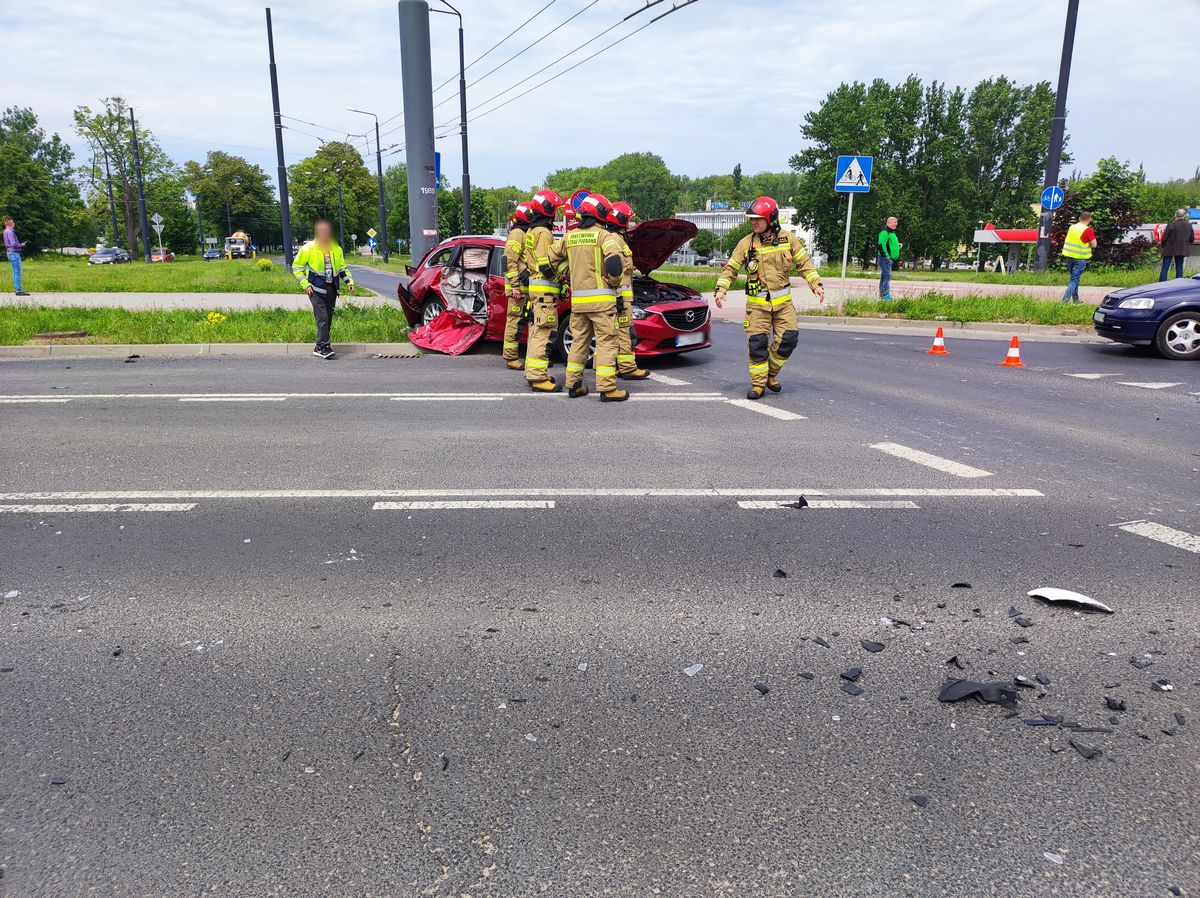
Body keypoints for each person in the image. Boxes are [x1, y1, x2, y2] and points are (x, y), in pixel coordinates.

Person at [714, 196, 824, 400]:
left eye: (758, 218)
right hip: (757, 307)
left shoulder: (788, 240)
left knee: (788, 340)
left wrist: (816, 285)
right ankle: (758, 385)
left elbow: (805, 264)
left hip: (783, 305)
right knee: (757, 346)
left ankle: (770, 375)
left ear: (771, 219)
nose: (754, 222)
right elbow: (731, 269)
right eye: (752, 219)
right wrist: (721, 289)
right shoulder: (746, 243)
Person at [545, 193, 629, 402]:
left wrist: (560, 277)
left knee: (579, 344)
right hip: (602, 304)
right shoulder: (604, 237)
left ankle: (573, 385)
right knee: (607, 343)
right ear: (601, 214)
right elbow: (615, 264)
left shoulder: (569, 236)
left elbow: (546, 263)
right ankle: (607, 389)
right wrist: (615, 282)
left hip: (578, 304)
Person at [521, 190, 567, 393]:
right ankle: (538, 378)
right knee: (545, 334)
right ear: (548, 210)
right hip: (545, 292)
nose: (556, 214)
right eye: (555, 209)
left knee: (536, 332)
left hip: (536, 290)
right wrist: (565, 264)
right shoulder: (544, 233)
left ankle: (533, 372)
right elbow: (545, 265)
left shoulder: (531, 231)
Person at [292, 219, 355, 359]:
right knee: (323, 318)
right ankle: (324, 347)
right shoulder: (308, 248)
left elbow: (342, 268)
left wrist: (348, 281)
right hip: (315, 289)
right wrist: (305, 285)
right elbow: (297, 268)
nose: (325, 233)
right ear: (317, 232)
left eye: (327, 230)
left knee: (328, 318)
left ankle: (320, 346)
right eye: (322, 230)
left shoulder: (336, 248)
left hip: (332, 288)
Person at [605, 200, 649, 381]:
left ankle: (621, 366)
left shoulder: (617, 240)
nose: (630, 224)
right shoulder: (615, 240)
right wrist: (619, 297)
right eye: (628, 220)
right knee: (623, 332)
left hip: (621, 296)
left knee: (618, 332)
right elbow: (613, 270)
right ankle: (627, 368)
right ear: (621, 220)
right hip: (620, 297)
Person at [502, 203, 534, 370]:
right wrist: (514, 286)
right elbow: (508, 261)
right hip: (518, 289)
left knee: (526, 322)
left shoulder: (524, 232)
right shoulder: (517, 234)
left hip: (525, 287)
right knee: (515, 322)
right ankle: (511, 357)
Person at [1061, 211, 1097, 304]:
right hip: (1080, 258)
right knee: (1074, 280)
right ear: (1089, 219)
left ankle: (1076, 300)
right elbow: (1094, 245)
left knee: (1074, 278)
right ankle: (1065, 301)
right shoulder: (1088, 230)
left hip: (1069, 256)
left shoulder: (1072, 227)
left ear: (1080, 218)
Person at [1158, 209, 1194, 282]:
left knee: (1165, 268)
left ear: (1175, 215)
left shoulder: (1171, 225)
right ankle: (1178, 284)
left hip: (1169, 249)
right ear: (1184, 216)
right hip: (1182, 249)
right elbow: (1191, 239)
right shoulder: (1189, 225)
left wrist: (1163, 246)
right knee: (1179, 268)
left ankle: (1161, 284)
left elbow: (1164, 238)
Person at [4, 217, 30, 297]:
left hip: (10, 253)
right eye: (12, 222)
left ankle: (18, 289)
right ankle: (19, 290)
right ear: (9, 224)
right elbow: (13, 244)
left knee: (15, 272)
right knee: (17, 272)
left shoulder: (6, 231)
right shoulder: (10, 232)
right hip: (14, 253)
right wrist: (21, 245)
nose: (14, 223)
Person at [877, 216, 900, 301]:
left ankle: (882, 295)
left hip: (890, 259)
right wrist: (886, 256)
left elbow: (889, 245)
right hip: (885, 259)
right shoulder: (885, 232)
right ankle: (885, 295)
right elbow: (881, 245)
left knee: (884, 276)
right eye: (894, 222)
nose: (896, 224)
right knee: (887, 276)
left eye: (896, 222)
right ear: (889, 223)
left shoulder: (892, 233)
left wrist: (898, 246)